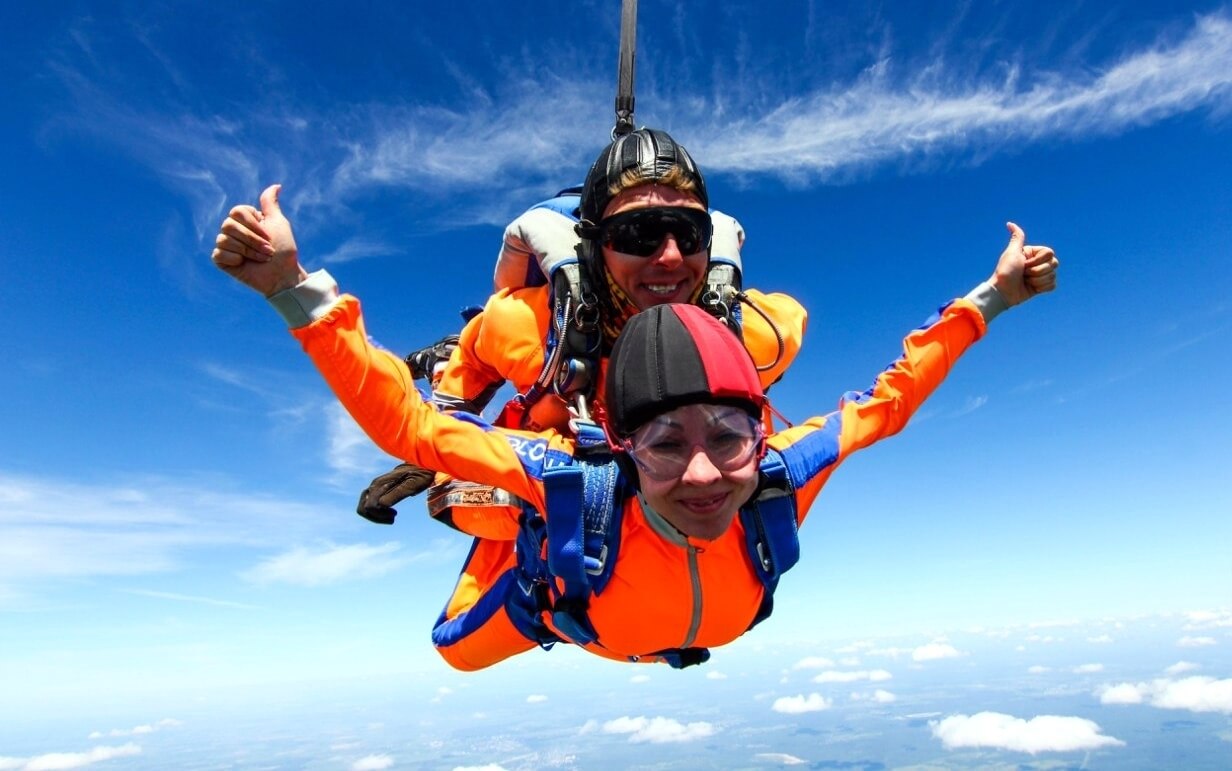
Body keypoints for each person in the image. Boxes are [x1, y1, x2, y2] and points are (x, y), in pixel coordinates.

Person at [211, 178, 1059, 670]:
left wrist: (995, 297)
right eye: (663, 444)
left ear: (760, 429)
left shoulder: (781, 468)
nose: (704, 472)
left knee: (496, 518)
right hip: (567, 596)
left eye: (728, 437)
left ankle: (487, 475)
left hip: (606, 614)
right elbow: (408, 427)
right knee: (455, 631)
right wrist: (296, 291)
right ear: (622, 445)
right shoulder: (575, 478)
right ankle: (479, 488)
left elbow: (894, 397)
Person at [219, 128, 808, 533]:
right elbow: (459, 383)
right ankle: (442, 362)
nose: (671, 256)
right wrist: (441, 437)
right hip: (555, 456)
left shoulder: (761, 334)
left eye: (690, 233)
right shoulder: (520, 322)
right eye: (639, 234)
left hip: (673, 484)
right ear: (595, 246)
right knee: (457, 518)